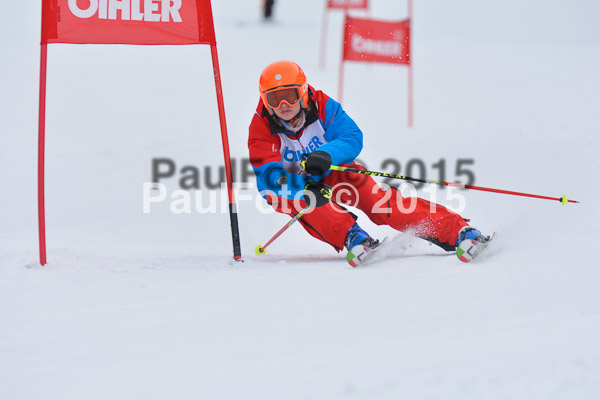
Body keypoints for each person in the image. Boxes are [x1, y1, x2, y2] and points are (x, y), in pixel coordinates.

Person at [248, 60, 490, 266]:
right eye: (275, 99)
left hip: (333, 170)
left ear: (302, 92)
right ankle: (353, 237)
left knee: (377, 202)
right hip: (294, 185)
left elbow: (351, 136)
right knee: (308, 202)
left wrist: (327, 155)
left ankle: (457, 231)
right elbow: (268, 176)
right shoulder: (261, 127)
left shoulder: (322, 105)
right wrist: (300, 189)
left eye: (289, 96)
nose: (283, 106)